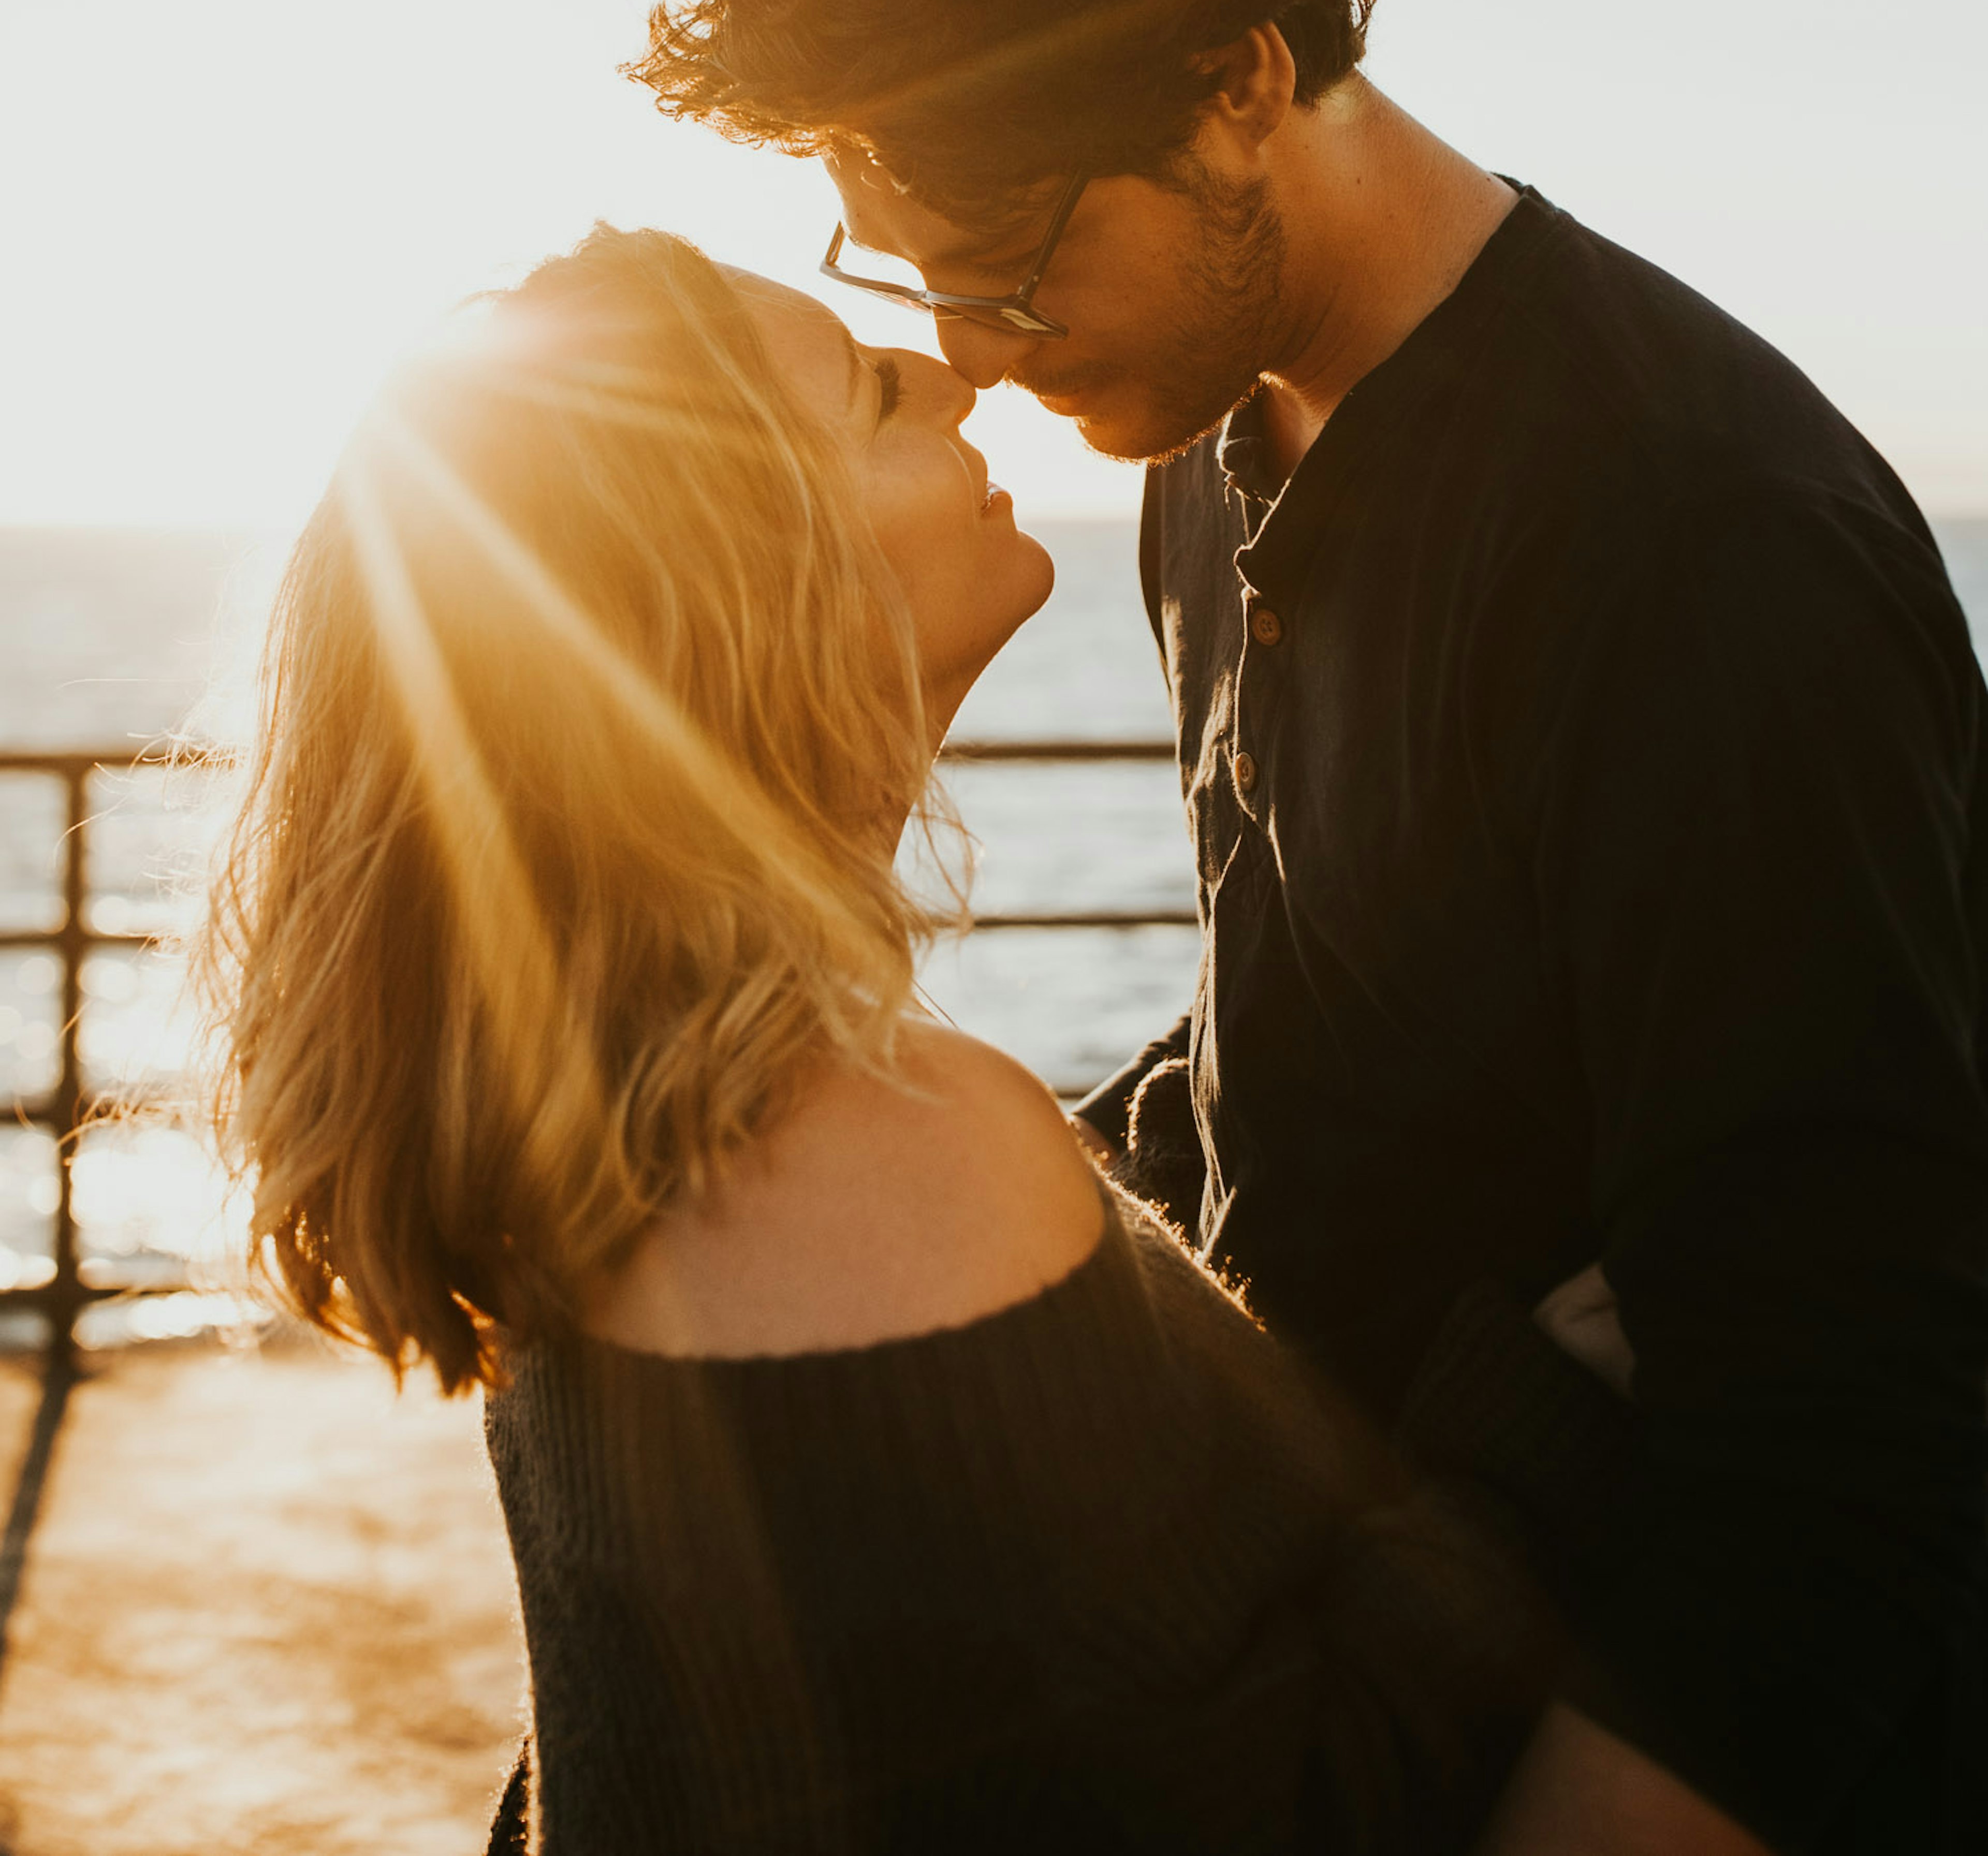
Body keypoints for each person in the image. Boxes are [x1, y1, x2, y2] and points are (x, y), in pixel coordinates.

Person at [631, 0, 1988, 1855]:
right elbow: (1326, 1031)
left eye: (1006, 265)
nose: (972, 355)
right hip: (1335, 1672)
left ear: (1239, 78)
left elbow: (1851, 1455)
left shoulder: (1697, 546)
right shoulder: (1201, 418)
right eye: (910, 274)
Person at [199, 223, 1548, 1853]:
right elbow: (1288, 1802)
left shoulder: (613, 1110)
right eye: (865, 392)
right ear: (753, 582)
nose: (947, 373)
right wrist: (1559, 1401)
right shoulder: (866, 1145)